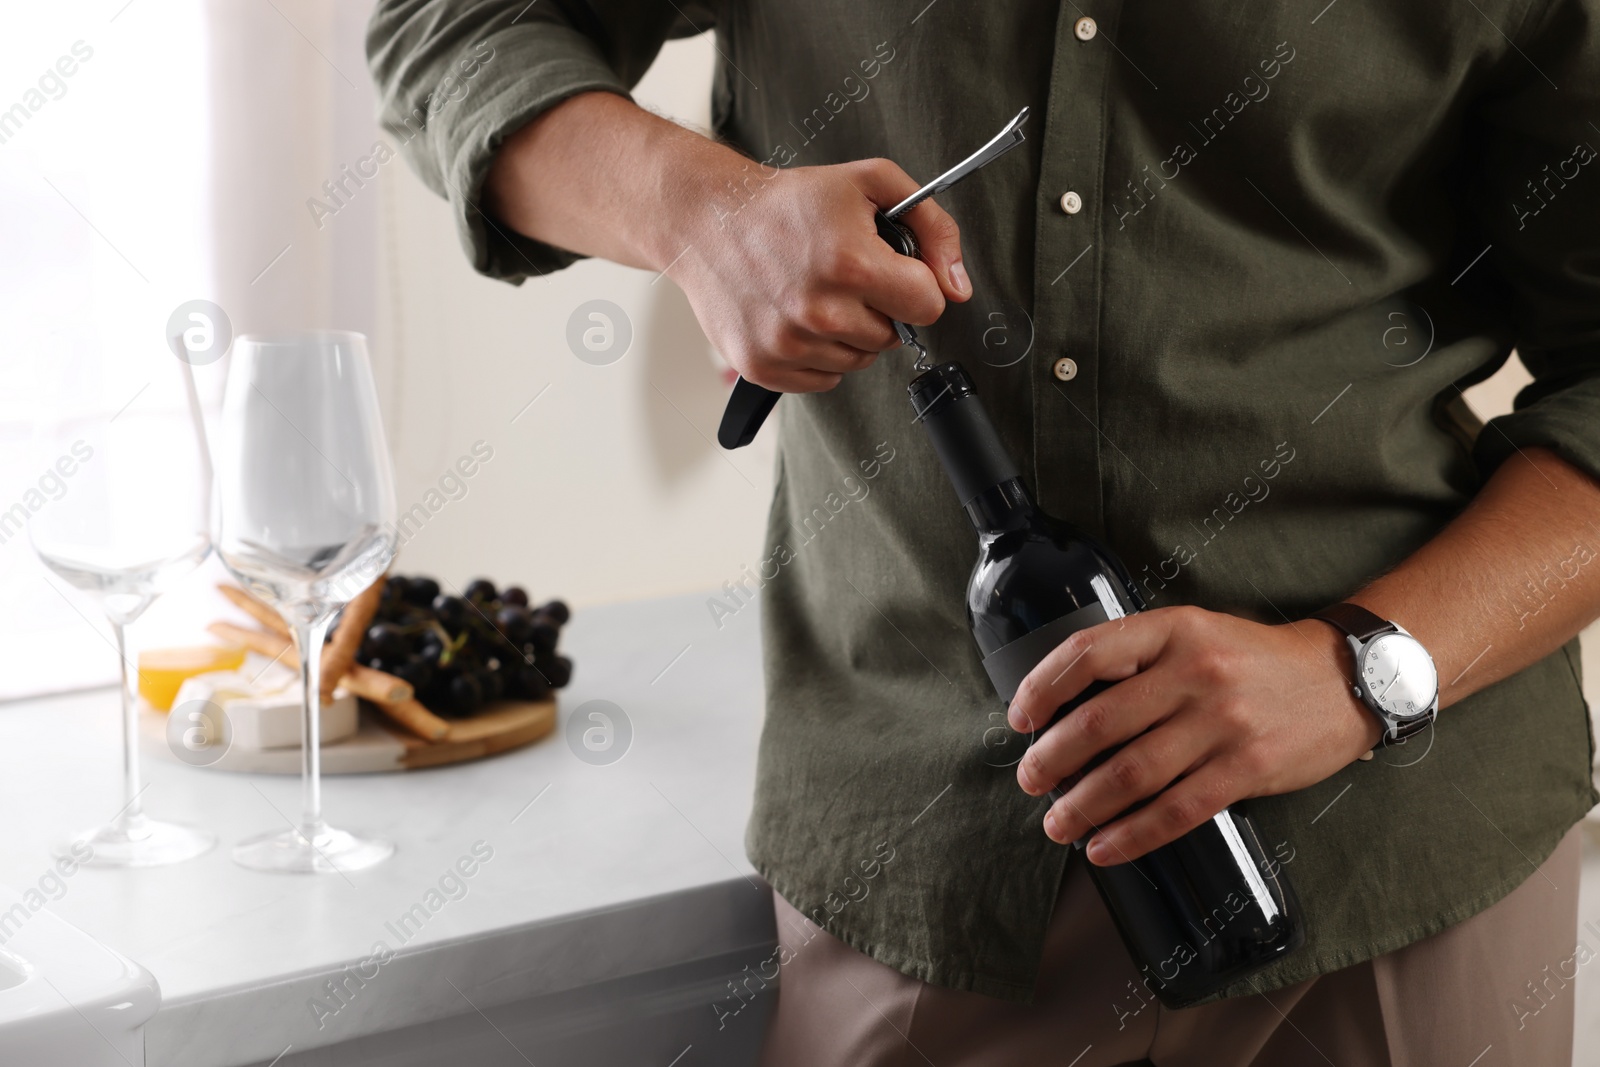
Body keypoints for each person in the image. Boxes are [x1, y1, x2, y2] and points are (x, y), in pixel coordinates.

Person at [368, 2, 1600, 1063]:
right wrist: (704, 215)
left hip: (1394, 855)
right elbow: (454, 28)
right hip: (919, 858)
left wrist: (1360, 669)